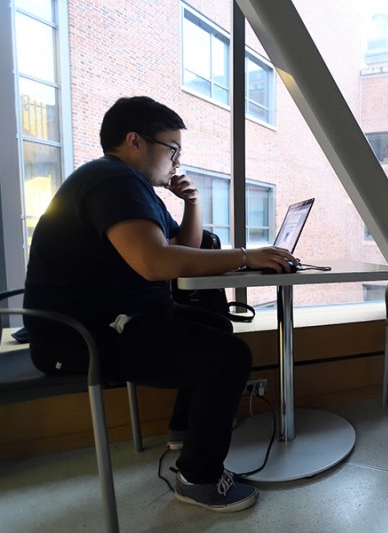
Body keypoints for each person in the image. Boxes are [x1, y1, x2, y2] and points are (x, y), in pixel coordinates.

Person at [23, 96, 297, 512]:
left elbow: (179, 248)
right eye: (172, 149)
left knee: (215, 329)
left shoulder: (126, 185)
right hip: (80, 335)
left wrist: (192, 203)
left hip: (111, 318)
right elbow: (155, 264)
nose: (175, 161)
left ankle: (185, 432)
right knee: (229, 357)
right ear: (135, 141)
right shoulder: (114, 182)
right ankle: (199, 479)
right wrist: (246, 255)